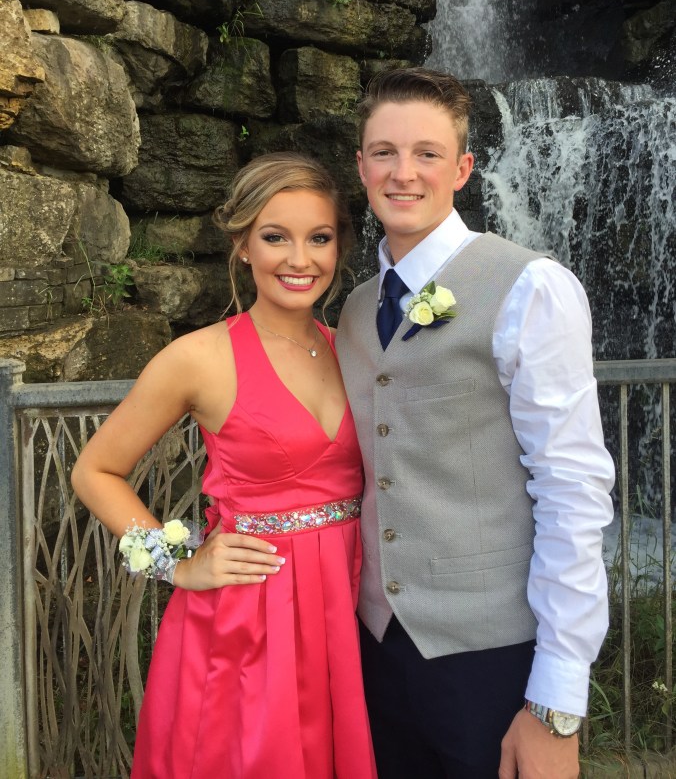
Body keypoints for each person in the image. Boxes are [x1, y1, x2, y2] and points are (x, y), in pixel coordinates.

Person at [335, 67, 615, 779]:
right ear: (361, 166)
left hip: (492, 660)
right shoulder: (356, 308)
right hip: (375, 651)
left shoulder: (532, 286)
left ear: (462, 169)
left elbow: (572, 489)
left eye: (427, 153)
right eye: (385, 152)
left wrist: (556, 702)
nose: (404, 172)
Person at [71, 152, 377, 779]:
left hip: (347, 608)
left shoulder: (352, 348)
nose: (300, 259)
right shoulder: (199, 358)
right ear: (242, 245)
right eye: (276, 237)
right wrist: (176, 565)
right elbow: (94, 472)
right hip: (251, 617)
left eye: (319, 238)